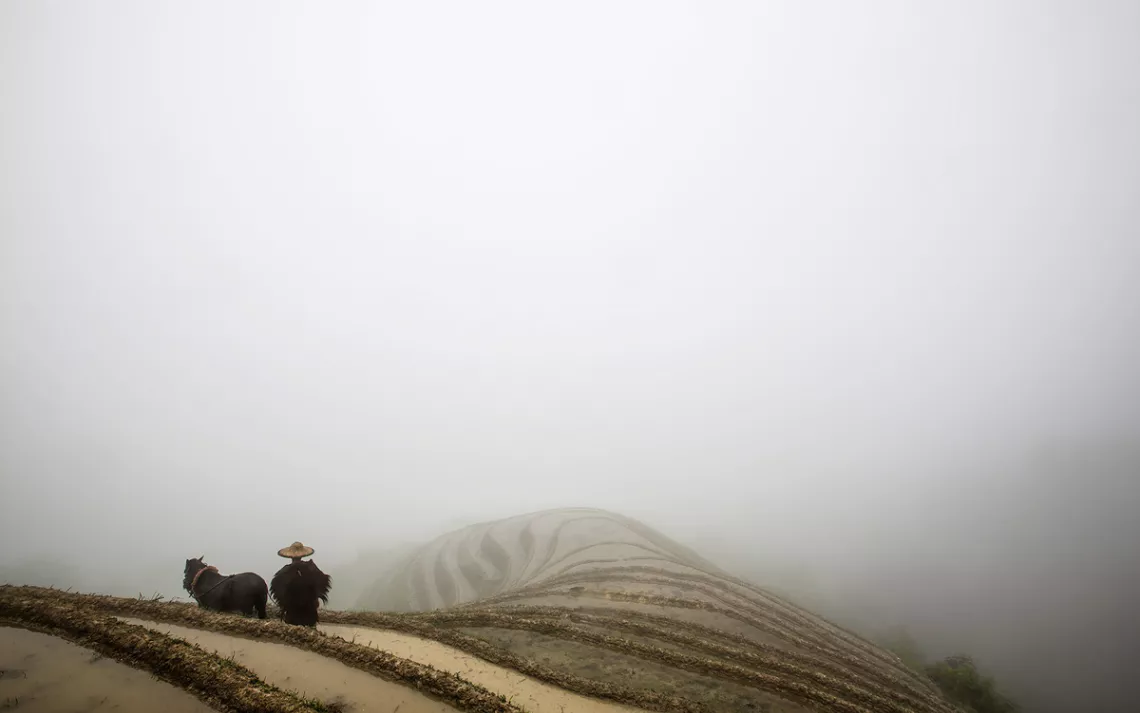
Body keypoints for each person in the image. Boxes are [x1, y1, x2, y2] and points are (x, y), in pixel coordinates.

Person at [270, 541, 331, 627]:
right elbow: (324, 580)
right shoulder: (311, 567)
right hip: (310, 611)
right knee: (310, 635)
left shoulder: (285, 571)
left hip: (292, 612)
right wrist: (315, 596)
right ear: (302, 555)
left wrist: (285, 603)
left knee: (294, 635)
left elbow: (276, 587)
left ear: (290, 556)